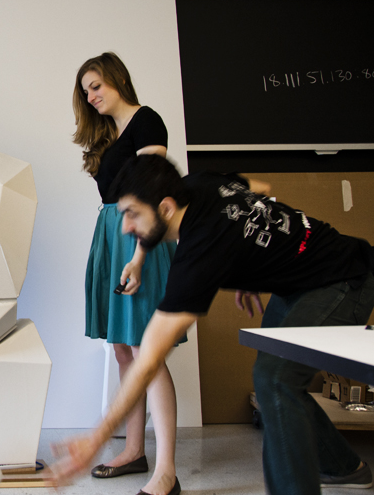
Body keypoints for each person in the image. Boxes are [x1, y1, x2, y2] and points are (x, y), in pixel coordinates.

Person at [52, 154, 374, 495]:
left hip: (343, 278)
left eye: (132, 214)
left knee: (275, 378)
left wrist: (96, 439)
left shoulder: (199, 253)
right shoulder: (195, 184)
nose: (126, 227)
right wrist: (252, 258)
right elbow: (260, 189)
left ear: (165, 208)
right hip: (299, 281)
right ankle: (344, 467)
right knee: (274, 381)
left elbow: (147, 360)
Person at [72, 53, 180, 495]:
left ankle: (167, 469)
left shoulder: (146, 121)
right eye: (85, 91)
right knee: (123, 351)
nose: (91, 96)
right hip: (111, 234)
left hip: (138, 239)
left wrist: (137, 256)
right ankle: (134, 450)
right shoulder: (107, 135)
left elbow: (153, 192)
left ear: (117, 79)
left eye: (96, 85)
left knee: (145, 350)